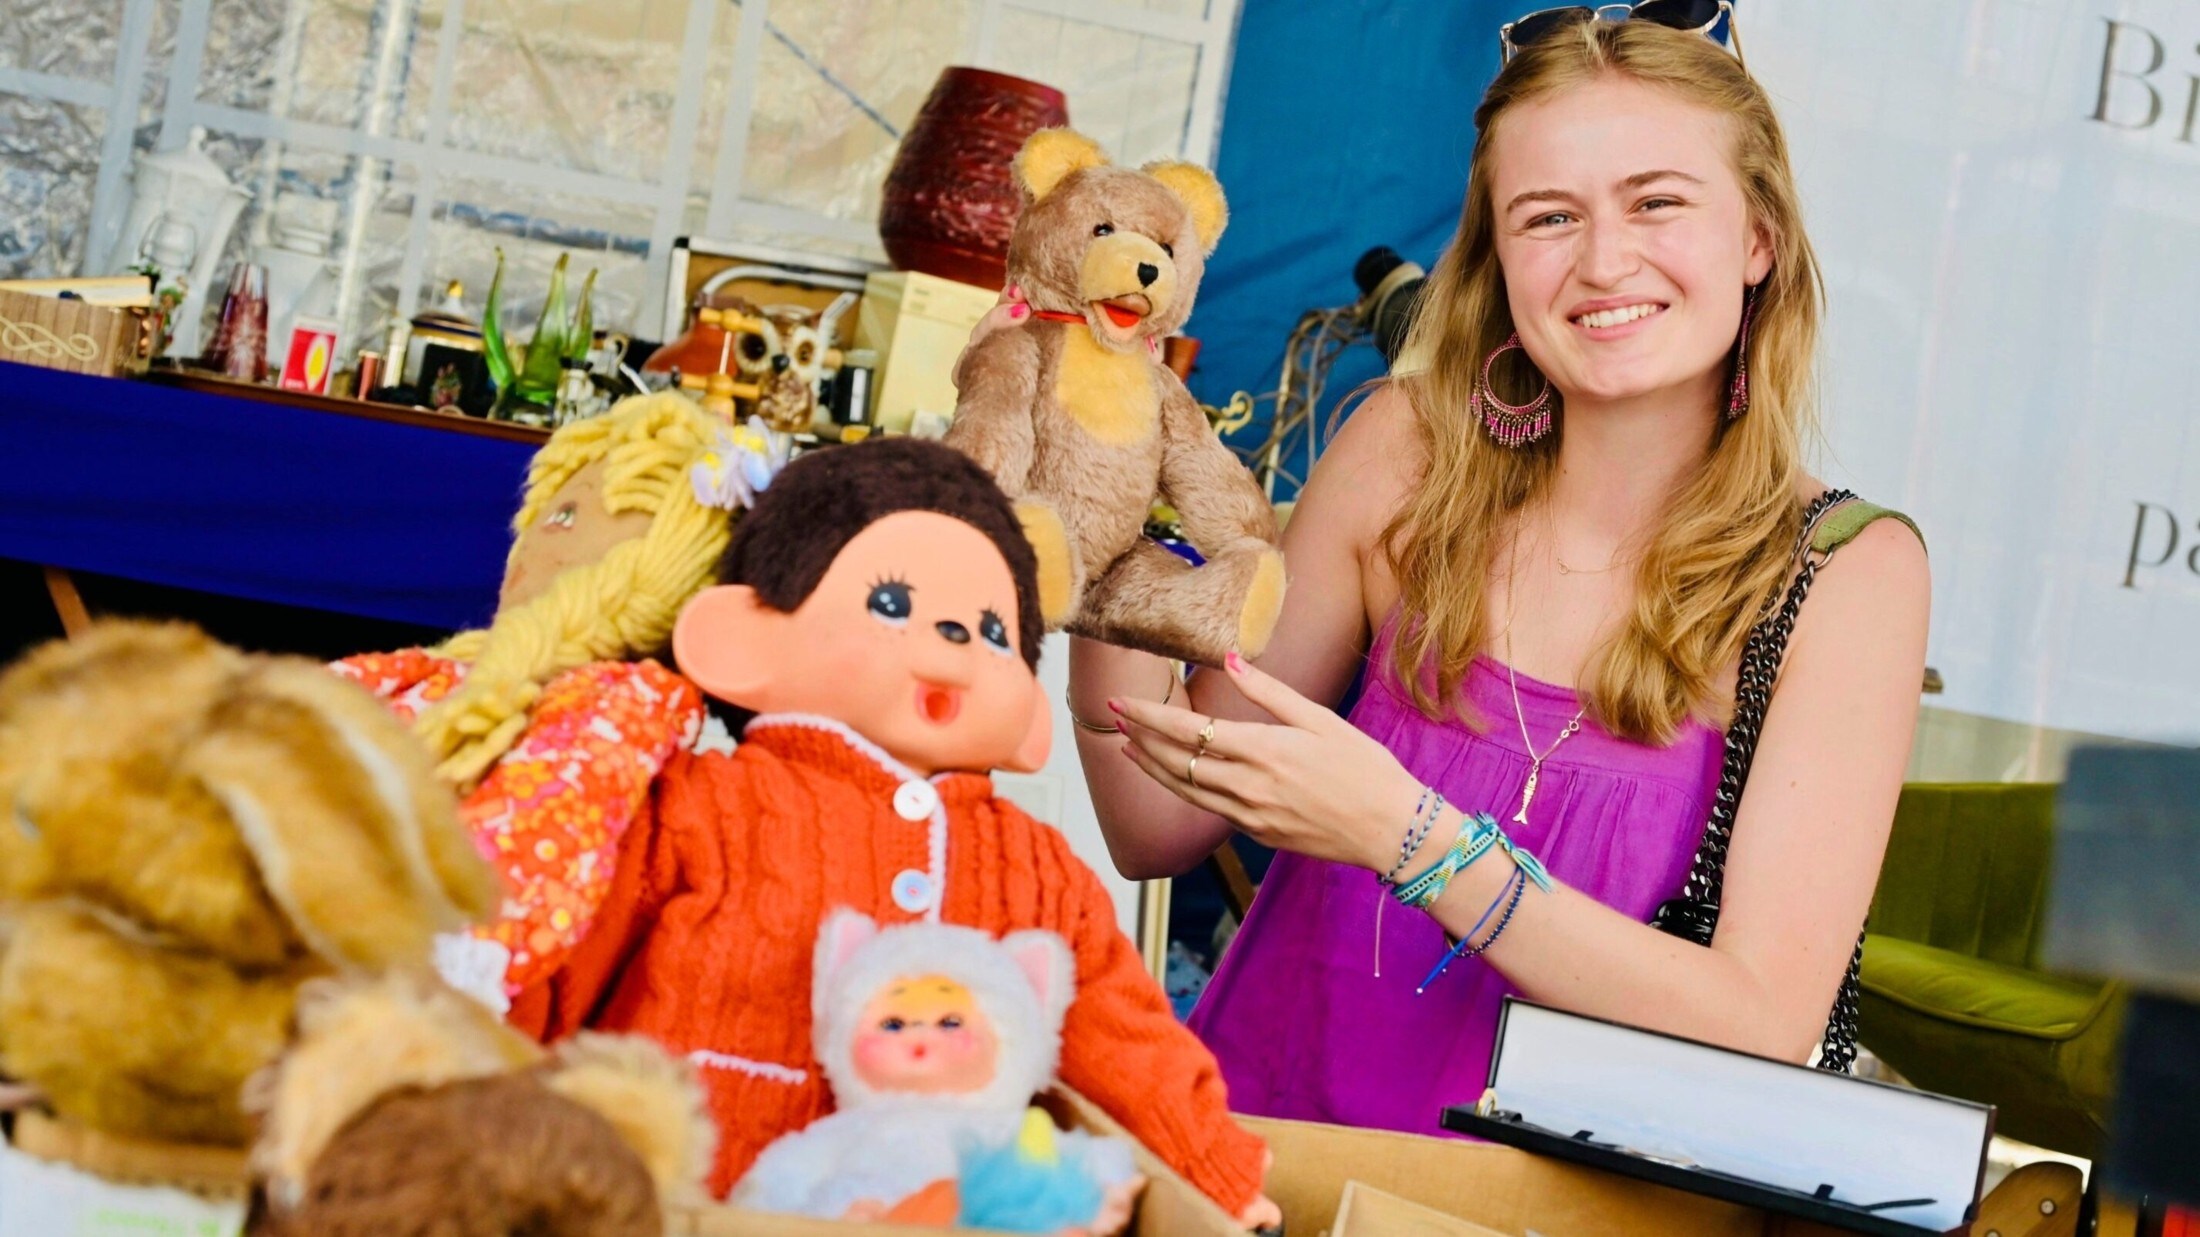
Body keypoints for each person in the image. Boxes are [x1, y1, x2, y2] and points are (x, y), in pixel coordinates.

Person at [1030, 14, 1929, 1133]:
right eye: (1548, 217)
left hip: (1551, 1208)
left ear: (1758, 237)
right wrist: (1094, 539)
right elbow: (1155, 823)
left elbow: (1757, 1022)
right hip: (1264, 1157)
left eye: (1656, 202)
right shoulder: (1402, 450)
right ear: (1498, 262)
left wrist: (1403, 832)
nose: (1604, 261)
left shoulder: (1846, 573)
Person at [333, 393, 734, 1000]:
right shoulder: (449, 668)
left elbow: (544, 835)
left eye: (568, 521)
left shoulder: (620, 702)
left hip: (383, 973)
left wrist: (424, 955)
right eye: (547, 515)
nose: (527, 551)